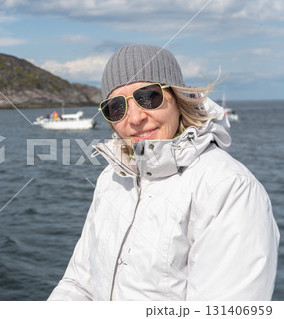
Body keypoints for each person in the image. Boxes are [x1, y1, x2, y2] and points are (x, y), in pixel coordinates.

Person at [48, 44, 279, 301]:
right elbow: (78, 284)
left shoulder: (229, 188)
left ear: (178, 98)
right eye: (116, 107)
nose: (134, 118)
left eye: (148, 97)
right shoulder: (111, 178)